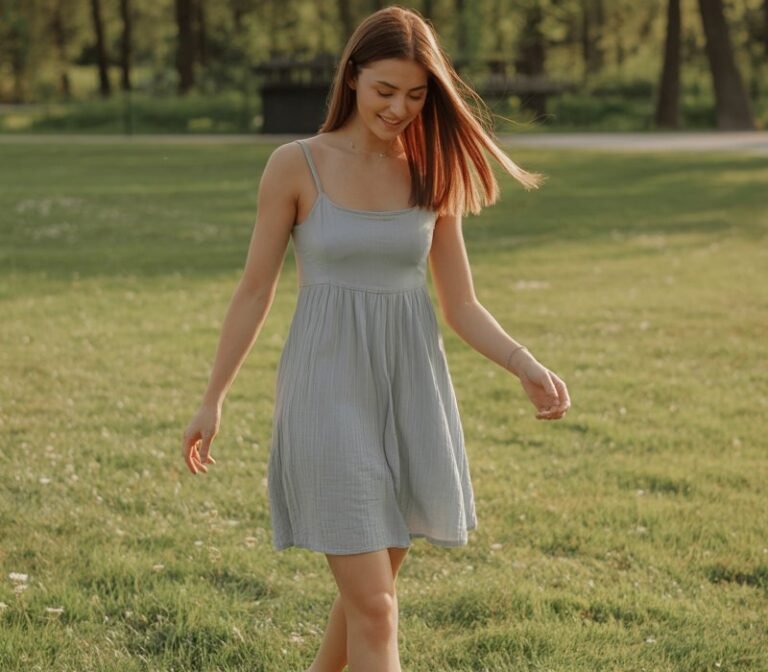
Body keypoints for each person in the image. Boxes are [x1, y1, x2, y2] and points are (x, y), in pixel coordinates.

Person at [182, 5, 570, 671]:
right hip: (326, 393)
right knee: (376, 607)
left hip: (410, 393)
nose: (399, 109)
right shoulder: (295, 165)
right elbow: (253, 290)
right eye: (386, 90)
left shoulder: (431, 169)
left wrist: (523, 362)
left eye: (416, 96)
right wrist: (212, 398)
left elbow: (462, 304)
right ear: (353, 76)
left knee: (371, 594)